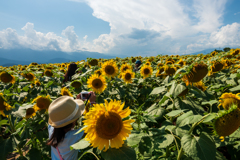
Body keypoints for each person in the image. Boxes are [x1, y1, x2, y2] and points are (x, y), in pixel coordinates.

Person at [47, 91, 96, 160]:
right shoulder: (72, 137)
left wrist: (74, 106)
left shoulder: (51, 129)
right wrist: (93, 103)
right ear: (73, 122)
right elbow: (92, 126)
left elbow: (60, 114)